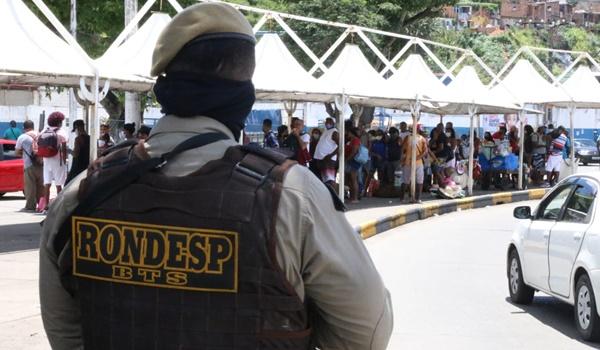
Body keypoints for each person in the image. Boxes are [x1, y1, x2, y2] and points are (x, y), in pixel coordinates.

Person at [39, 4, 392, 350]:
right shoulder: (292, 196)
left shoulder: (83, 192)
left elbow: (66, 332)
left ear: (164, 85)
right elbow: (367, 331)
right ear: (243, 95)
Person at [40, 112, 68, 212]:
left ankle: (46, 207)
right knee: (59, 184)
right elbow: (64, 149)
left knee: (47, 184)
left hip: (46, 160)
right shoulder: (62, 133)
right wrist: (64, 162)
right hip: (57, 161)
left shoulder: (44, 131)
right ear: (59, 122)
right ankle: (59, 206)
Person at [14, 120, 43, 211]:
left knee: (30, 187)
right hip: (41, 164)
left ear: (24, 128)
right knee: (41, 187)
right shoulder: (40, 135)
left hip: (29, 165)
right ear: (33, 126)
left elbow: (17, 153)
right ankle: (41, 205)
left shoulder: (22, 137)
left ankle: (30, 206)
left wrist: (24, 152)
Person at [399, 124, 428, 203]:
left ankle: (403, 198)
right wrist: (418, 158)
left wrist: (402, 160)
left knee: (406, 180)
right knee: (418, 180)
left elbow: (402, 150)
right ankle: (417, 198)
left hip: (409, 161)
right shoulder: (421, 139)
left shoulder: (409, 138)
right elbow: (425, 151)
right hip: (415, 162)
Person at [313, 117, 339, 187]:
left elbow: (340, 146)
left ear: (333, 123)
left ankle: (334, 196)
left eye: (330, 121)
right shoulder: (326, 131)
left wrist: (331, 155)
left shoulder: (334, 132)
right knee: (324, 180)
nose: (327, 123)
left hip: (328, 159)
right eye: (326, 121)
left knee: (330, 180)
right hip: (321, 158)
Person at [345, 120, 362, 203]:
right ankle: (352, 196)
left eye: (348, 132)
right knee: (350, 180)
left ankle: (355, 198)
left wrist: (348, 159)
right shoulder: (351, 140)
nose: (347, 134)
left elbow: (354, 151)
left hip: (353, 161)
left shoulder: (355, 140)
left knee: (354, 179)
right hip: (350, 161)